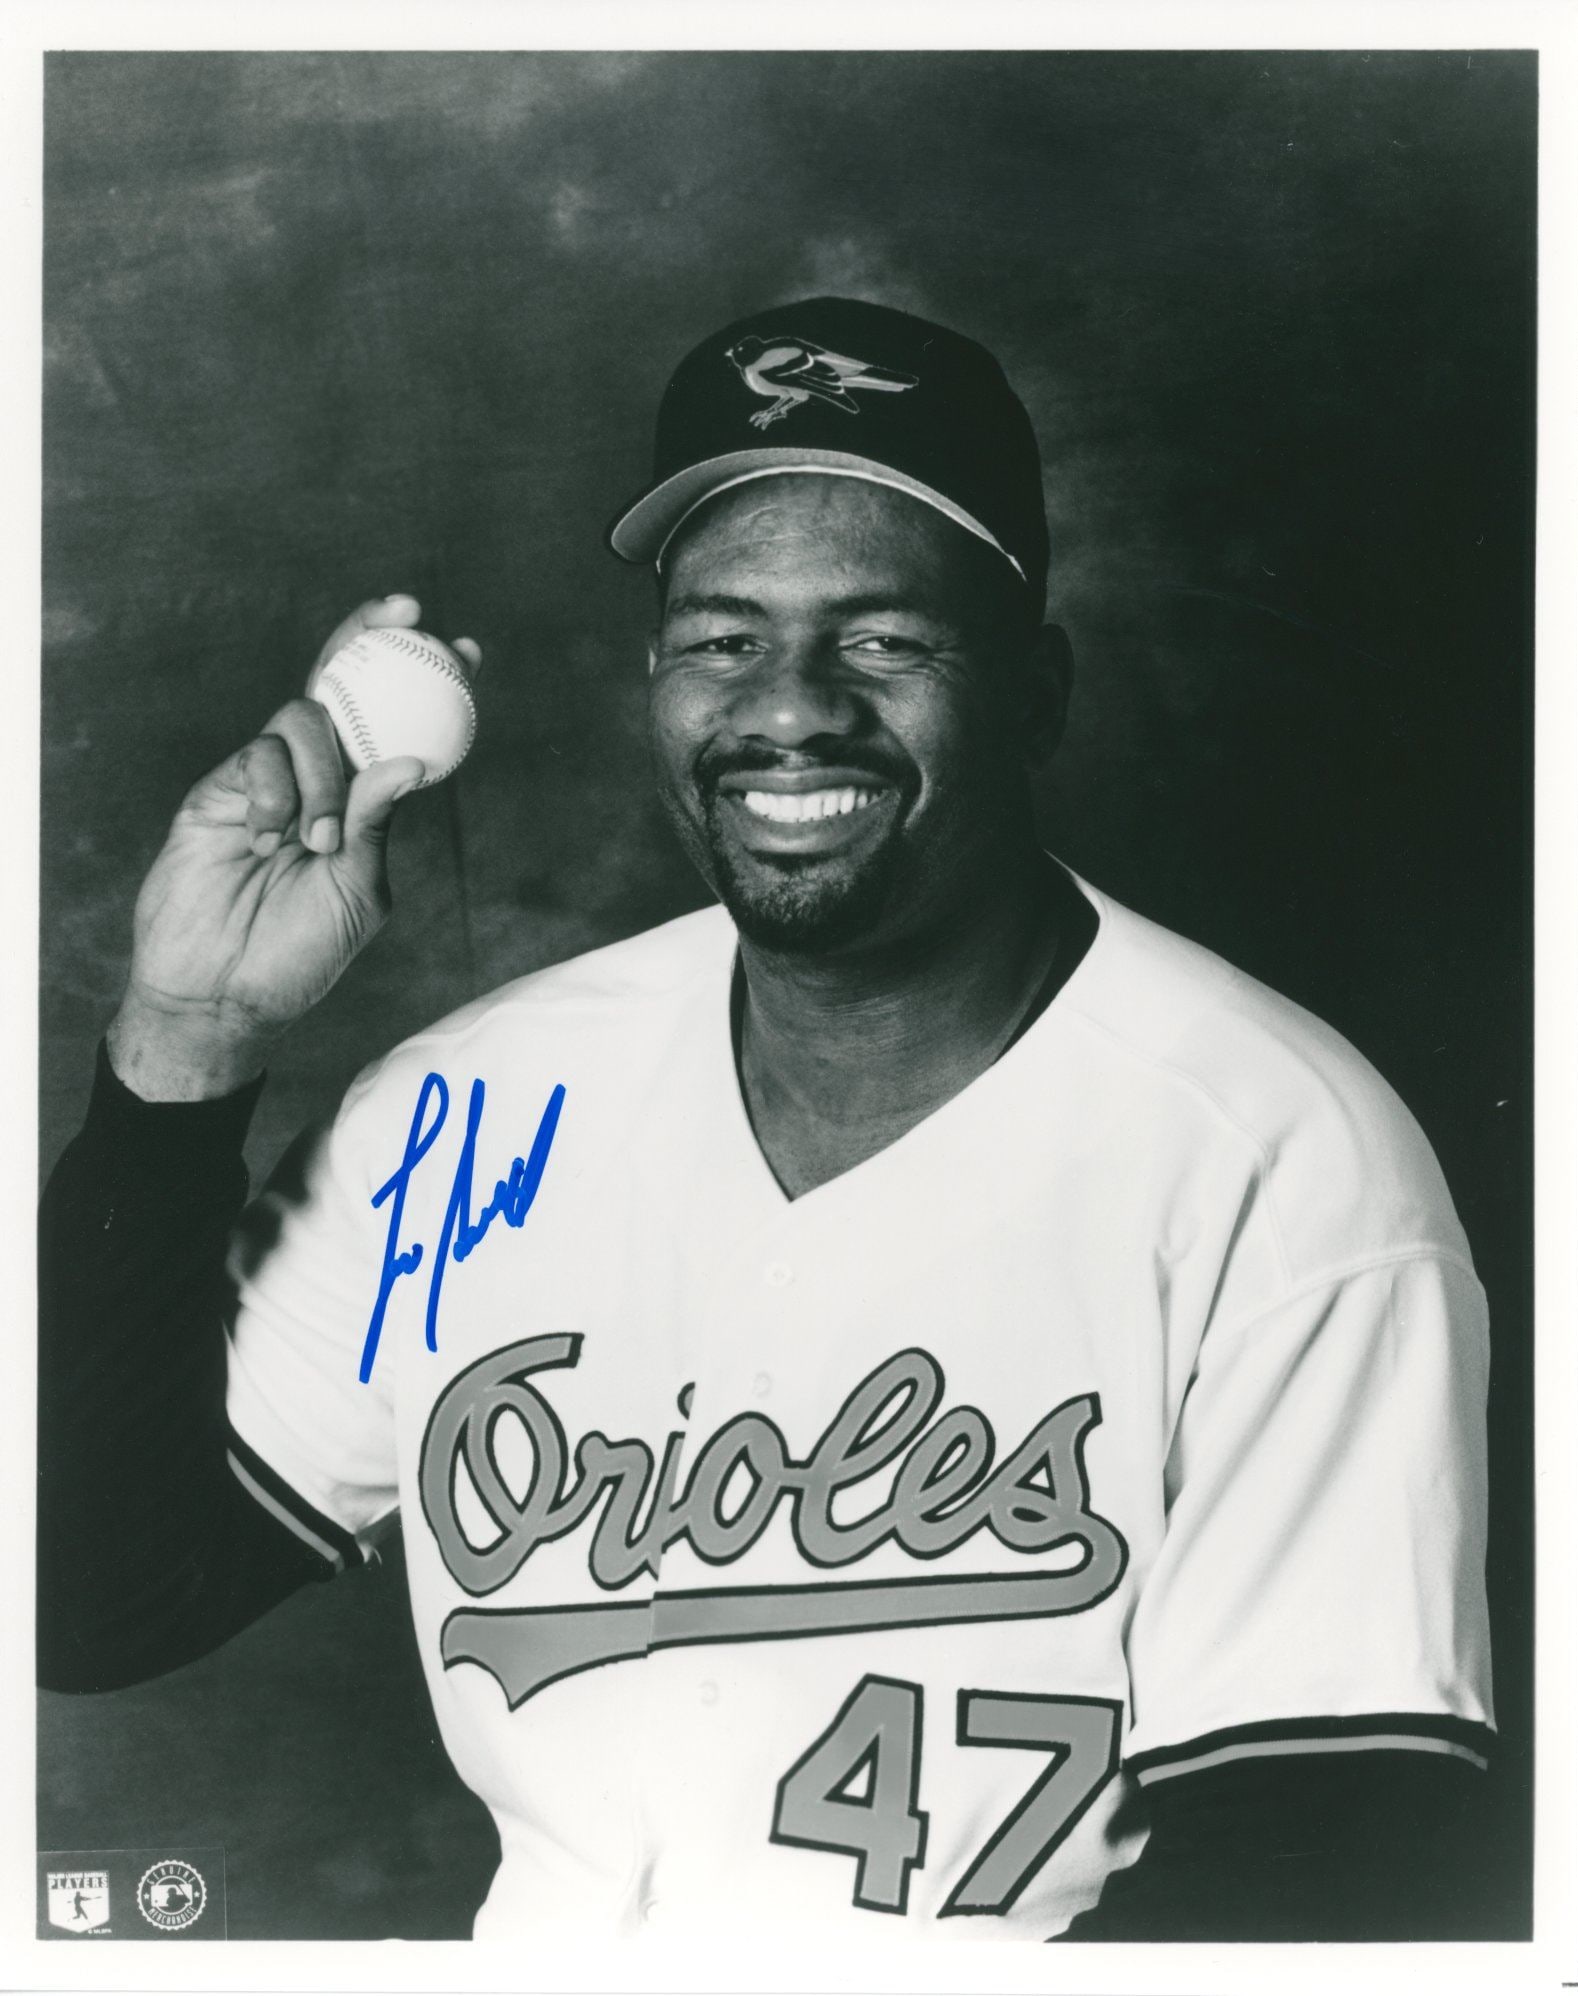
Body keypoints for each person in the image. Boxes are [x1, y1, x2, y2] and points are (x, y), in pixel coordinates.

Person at [39, 298, 1496, 1943]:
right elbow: (86, 1600)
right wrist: (188, 1041)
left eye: (884, 639)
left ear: (1033, 691)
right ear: (657, 683)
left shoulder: (1279, 1161)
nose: (789, 708)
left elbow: (1317, 1881)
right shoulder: (466, 1114)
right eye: (723, 640)